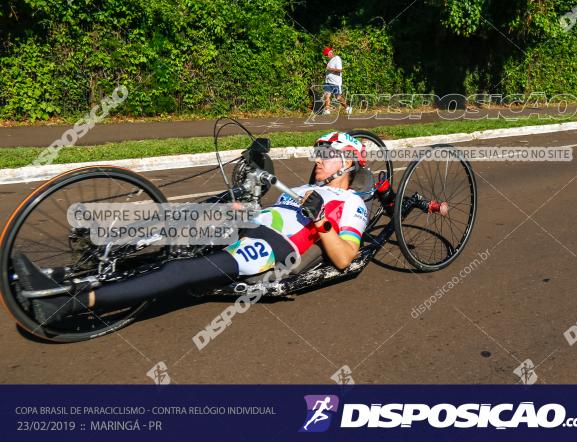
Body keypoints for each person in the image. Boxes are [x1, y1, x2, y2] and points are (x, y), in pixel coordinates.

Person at [13, 132, 370, 326]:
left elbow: (344, 257)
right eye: (318, 153)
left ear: (349, 162)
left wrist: (321, 222)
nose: (318, 160)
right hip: (250, 222)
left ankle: (70, 304)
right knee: (171, 223)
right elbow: (273, 208)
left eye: (327, 154)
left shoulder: (352, 203)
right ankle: (75, 265)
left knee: (182, 270)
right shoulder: (308, 188)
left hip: (270, 247)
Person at [321, 46, 352, 115]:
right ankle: (327, 110)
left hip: (335, 82)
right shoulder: (329, 61)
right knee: (327, 95)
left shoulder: (337, 58)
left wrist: (330, 69)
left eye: (326, 55)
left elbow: (340, 70)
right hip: (328, 82)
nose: (326, 56)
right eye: (325, 55)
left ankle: (347, 108)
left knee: (338, 97)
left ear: (330, 53)